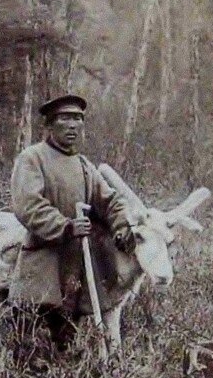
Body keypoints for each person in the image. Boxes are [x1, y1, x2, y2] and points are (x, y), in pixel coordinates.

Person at [8, 94, 136, 358]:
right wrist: (65, 227)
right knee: (28, 335)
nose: (73, 126)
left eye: (78, 120)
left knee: (65, 336)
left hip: (75, 267)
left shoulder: (84, 166)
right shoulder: (32, 158)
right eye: (65, 119)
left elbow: (111, 201)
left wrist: (121, 226)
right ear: (50, 125)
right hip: (42, 262)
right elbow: (27, 204)